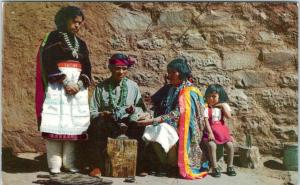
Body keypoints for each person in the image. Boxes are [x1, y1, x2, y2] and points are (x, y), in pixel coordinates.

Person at [35, 6, 91, 174]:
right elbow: (48, 63)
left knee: (73, 124)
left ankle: (69, 162)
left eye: (79, 23)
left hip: (77, 90)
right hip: (58, 87)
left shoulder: (81, 44)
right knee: (56, 122)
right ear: (64, 20)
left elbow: (87, 67)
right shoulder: (52, 38)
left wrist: (79, 84)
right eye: (74, 22)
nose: (77, 26)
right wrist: (66, 82)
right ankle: (55, 164)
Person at [137, 57, 208, 180]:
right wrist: (148, 115)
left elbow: (178, 113)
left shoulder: (189, 91)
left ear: (181, 72)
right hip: (166, 123)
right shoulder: (169, 88)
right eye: (168, 72)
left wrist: (155, 120)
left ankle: (171, 166)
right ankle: (165, 164)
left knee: (162, 129)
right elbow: (156, 105)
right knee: (151, 129)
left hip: (183, 127)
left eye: (172, 72)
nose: (169, 75)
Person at [88, 53, 148, 177]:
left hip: (127, 121)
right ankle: (97, 167)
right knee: (97, 125)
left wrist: (134, 111)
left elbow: (141, 109)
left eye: (124, 69)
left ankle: (139, 166)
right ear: (110, 68)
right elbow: (92, 111)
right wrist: (102, 114)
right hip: (108, 123)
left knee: (140, 125)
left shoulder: (133, 87)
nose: (121, 72)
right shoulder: (101, 87)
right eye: (117, 68)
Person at [202, 84, 237, 177]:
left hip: (222, 132)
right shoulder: (206, 107)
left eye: (214, 96)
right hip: (211, 132)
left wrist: (222, 105)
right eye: (209, 96)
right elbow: (206, 121)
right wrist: (210, 133)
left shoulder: (223, 106)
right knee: (212, 145)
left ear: (220, 96)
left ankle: (230, 166)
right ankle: (215, 167)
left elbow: (229, 117)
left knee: (230, 146)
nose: (211, 98)